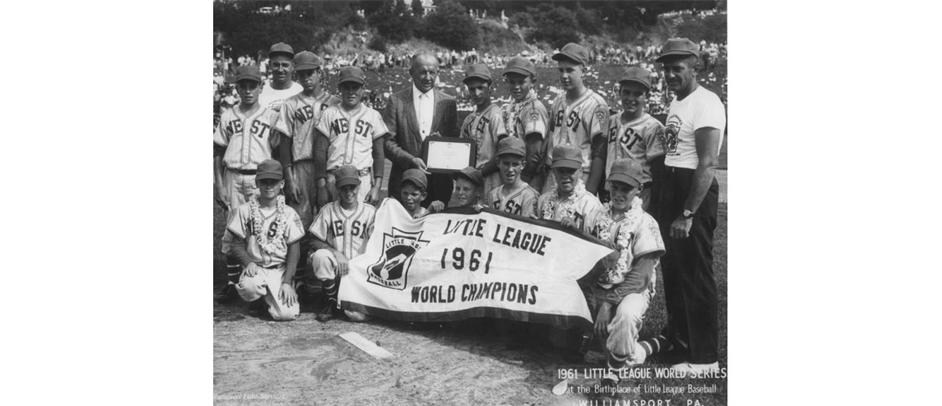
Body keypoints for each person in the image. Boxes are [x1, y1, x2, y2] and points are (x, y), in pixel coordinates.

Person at [655, 38, 726, 374]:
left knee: (695, 273)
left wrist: (687, 212)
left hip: (692, 192)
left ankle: (705, 358)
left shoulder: (706, 102)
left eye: (677, 68)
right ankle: (681, 343)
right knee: (674, 270)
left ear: (694, 66)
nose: (670, 74)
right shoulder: (677, 101)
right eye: (666, 68)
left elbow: (708, 163)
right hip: (672, 185)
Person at [583, 158, 670, 387]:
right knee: (622, 352)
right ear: (608, 185)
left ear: (639, 189)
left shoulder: (645, 222)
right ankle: (655, 344)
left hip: (632, 290)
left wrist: (607, 304)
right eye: (615, 186)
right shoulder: (595, 215)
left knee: (627, 316)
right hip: (600, 285)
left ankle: (612, 376)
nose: (619, 194)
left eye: (627, 188)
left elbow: (640, 277)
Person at [214, 66, 282, 303]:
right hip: (233, 175)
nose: (248, 90)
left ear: (260, 87)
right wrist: (219, 184)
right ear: (237, 88)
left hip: (259, 179)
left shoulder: (270, 116)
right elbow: (218, 151)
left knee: (260, 229)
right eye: (243, 85)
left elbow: (279, 150)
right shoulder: (227, 115)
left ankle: (259, 279)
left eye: (252, 85)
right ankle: (233, 283)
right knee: (232, 229)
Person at [537, 144, 605, 360]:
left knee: (568, 344)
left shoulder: (590, 204)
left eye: (571, 171)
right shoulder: (544, 200)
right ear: (553, 172)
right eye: (560, 171)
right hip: (548, 270)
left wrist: (576, 231)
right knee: (548, 341)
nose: (565, 176)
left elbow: (598, 246)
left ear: (581, 171)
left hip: (578, 275)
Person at [226, 159, 305, 321]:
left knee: (287, 315)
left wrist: (288, 281)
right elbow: (236, 244)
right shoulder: (245, 210)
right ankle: (257, 299)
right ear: (257, 183)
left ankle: (272, 296)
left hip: (279, 269)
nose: (269, 186)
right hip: (256, 267)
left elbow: (294, 250)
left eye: (273, 182)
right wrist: (248, 262)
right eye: (264, 182)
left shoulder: (289, 213)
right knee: (250, 287)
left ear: (282, 184)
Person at [383, 53, 459, 207]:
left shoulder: (448, 102)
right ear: (411, 73)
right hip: (405, 185)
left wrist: (442, 142)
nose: (428, 77)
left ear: (438, 73)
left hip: (439, 187)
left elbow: (455, 142)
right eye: (422, 72)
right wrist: (410, 160)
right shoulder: (396, 101)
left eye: (432, 72)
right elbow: (387, 143)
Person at [275, 51, 340, 231]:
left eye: (310, 72)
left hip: (329, 167)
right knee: (299, 221)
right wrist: (289, 179)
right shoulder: (291, 104)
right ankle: (299, 259)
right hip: (301, 167)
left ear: (320, 73)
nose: (306, 77)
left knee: (329, 218)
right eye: (301, 74)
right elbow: (285, 144)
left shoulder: (336, 103)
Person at [307, 165, 376, 322]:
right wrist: (335, 253)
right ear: (337, 188)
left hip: (358, 273)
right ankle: (331, 300)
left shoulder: (370, 212)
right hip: (336, 270)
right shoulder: (328, 210)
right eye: (344, 188)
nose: (349, 192)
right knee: (320, 256)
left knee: (356, 316)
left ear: (359, 186)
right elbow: (313, 238)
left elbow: (378, 243)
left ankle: (348, 299)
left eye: (352, 187)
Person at [313, 66, 388, 208]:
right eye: (347, 87)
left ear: (362, 89)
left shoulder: (373, 115)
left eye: (356, 87)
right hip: (334, 178)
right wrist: (321, 186)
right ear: (340, 88)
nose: (351, 92)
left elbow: (379, 154)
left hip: (362, 179)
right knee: (332, 224)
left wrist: (377, 187)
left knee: (362, 224)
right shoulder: (329, 113)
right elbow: (320, 152)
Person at [543, 43, 610, 196]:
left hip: (580, 177)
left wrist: (590, 193)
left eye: (570, 70)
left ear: (583, 71)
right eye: (561, 70)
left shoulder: (597, 105)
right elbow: (551, 135)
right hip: (554, 174)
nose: (564, 76)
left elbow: (600, 151)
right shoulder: (557, 101)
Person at [603, 67, 666, 212]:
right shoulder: (612, 121)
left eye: (637, 94)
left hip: (640, 194)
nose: (630, 98)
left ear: (647, 96)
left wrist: (654, 207)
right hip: (611, 192)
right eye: (626, 92)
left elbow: (660, 173)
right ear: (619, 92)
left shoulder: (653, 127)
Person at [501, 56, 548, 191]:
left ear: (532, 82)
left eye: (521, 82)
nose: (516, 87)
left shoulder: (533, 109)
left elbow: (534, 153)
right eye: (511, 82)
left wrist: (523, 180)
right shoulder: (514, 105)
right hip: (515, 173)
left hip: (529, 176)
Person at [460, 64, 508, 195]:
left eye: (481, 88)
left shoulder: (496, 114)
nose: (476, 93)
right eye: (472, 89)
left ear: (490, 88)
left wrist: (481, 172)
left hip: (493, 178)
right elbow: (461, 151)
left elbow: (503, 150)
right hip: (472, 178)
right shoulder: (468, 119)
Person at [486, 137, 539, 219]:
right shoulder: (493, 194)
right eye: (506, 163)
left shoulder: (529, 195)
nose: (510, 169)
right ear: (498, 163)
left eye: (515, 164)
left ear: (523, 165)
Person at [259, 42, 303, 113]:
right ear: (270, 65)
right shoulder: (261, 92)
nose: (280, 69)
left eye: (285, 65)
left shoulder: (300, 92)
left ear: (292, 66)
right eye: (276, 65)